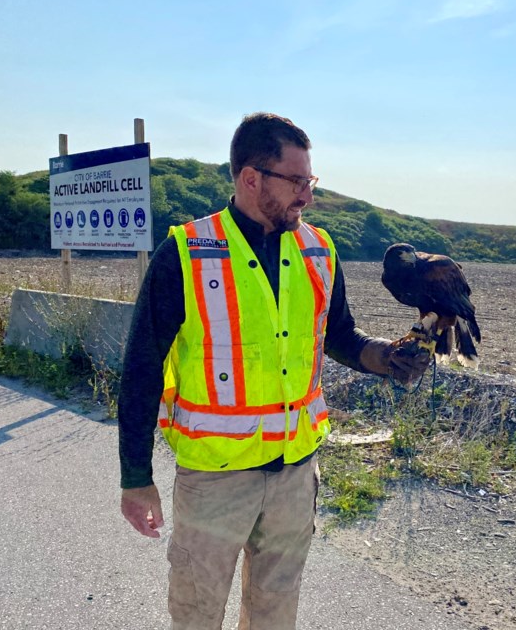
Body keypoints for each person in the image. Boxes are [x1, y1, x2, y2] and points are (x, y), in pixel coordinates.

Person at [117, 112, 432, 630]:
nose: (306, 195)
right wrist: (135, 478)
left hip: (294, 474)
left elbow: (340, 337)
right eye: (297, 181)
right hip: (216, 478)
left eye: (311, 181)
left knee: (274, 614)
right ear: (250, 178)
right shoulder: (188, 252)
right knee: (196, 614)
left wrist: (386, 358)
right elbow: (142, 366)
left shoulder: (319, 248)